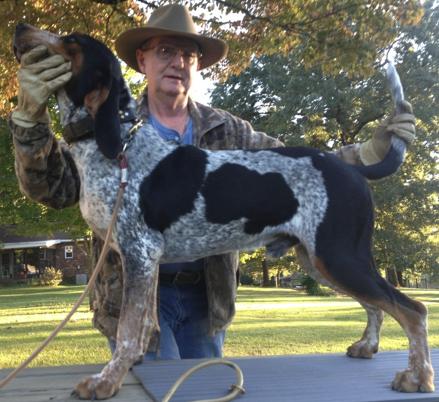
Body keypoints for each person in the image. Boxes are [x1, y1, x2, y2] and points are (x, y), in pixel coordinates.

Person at [10, 4, 416, 361]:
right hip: (131, 296)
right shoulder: (103, 128)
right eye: (165, 50)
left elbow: (295, 167)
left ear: (198, 66)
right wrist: (29, 120)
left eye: (188, 54)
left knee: (202, 389)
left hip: (207, 299)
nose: (177, 61)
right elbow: (53, 189)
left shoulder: (231, 130)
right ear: (142, 59)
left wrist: (368, 153)